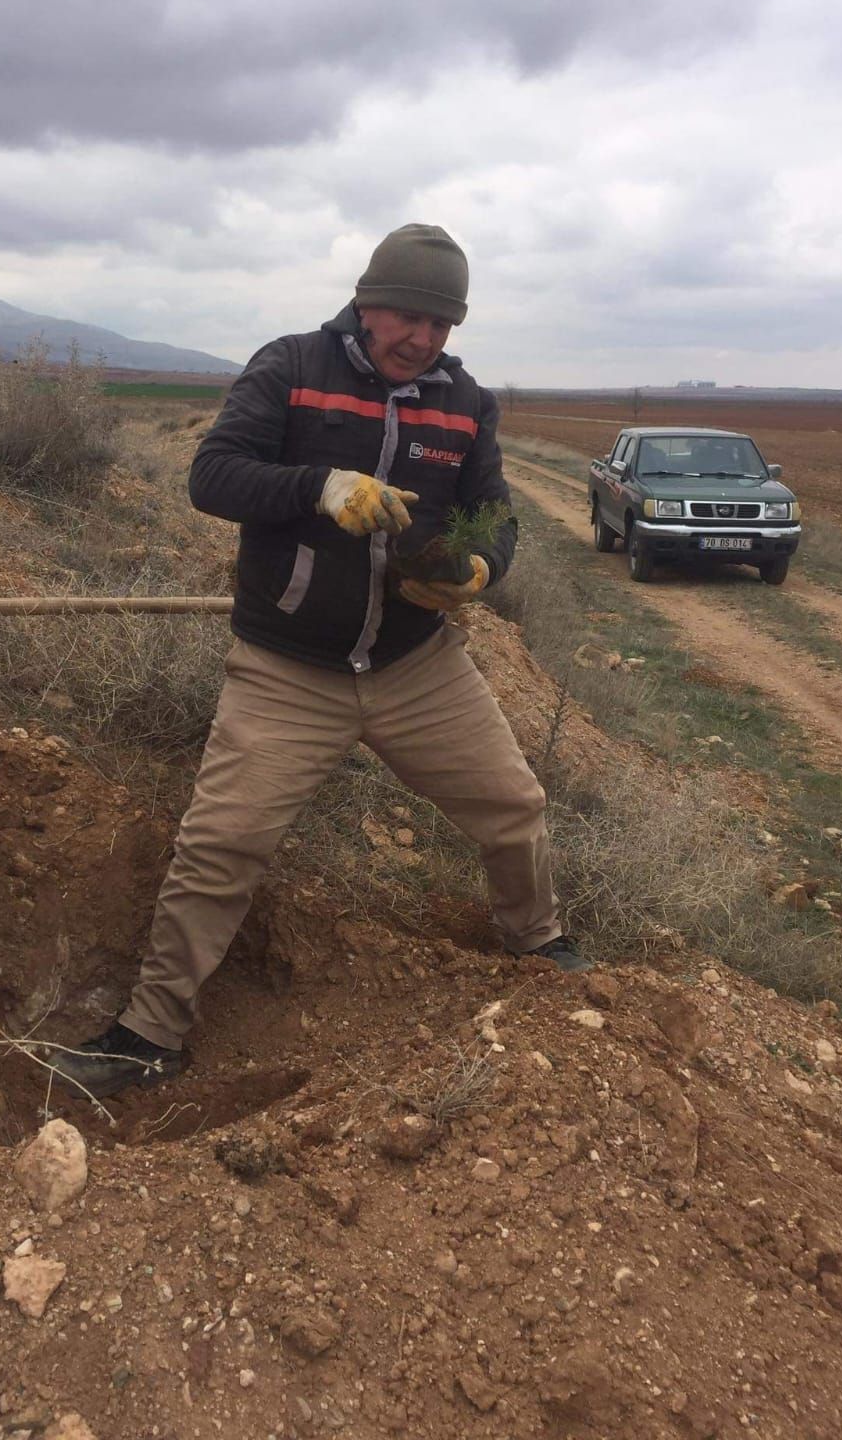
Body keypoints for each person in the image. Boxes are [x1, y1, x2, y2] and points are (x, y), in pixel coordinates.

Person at [56, 224, 590, 1098]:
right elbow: (213, 477)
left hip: (418, 666)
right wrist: (319, 486)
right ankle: (149, 1035)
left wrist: (484, 565)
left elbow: (494, 510)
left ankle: (536, 941)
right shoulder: (294, 366)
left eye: (441, 324)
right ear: (366, 300)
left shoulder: (468, 403)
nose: (421, 338)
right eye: (407, 316)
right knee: (223, 842)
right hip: (288, 668)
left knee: (514, 805)